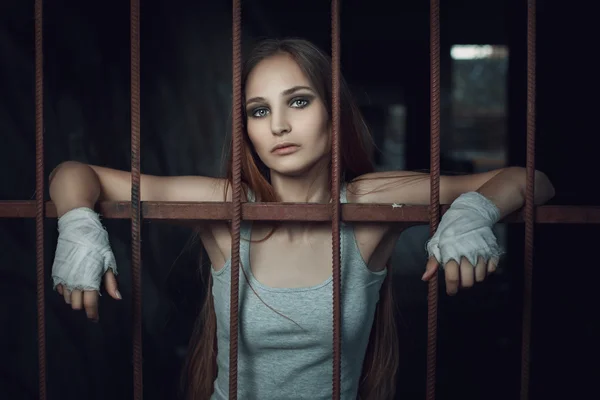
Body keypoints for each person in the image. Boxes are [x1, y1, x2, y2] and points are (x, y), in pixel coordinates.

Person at [48, 38, 555, 400]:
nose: (280, 125)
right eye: (259, 111)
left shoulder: (369, 203)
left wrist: (474, 211)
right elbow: (76, 172)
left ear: (334, 115)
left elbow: (529, 179)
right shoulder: (226, 205)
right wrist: (77, 223)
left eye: (298, 101)